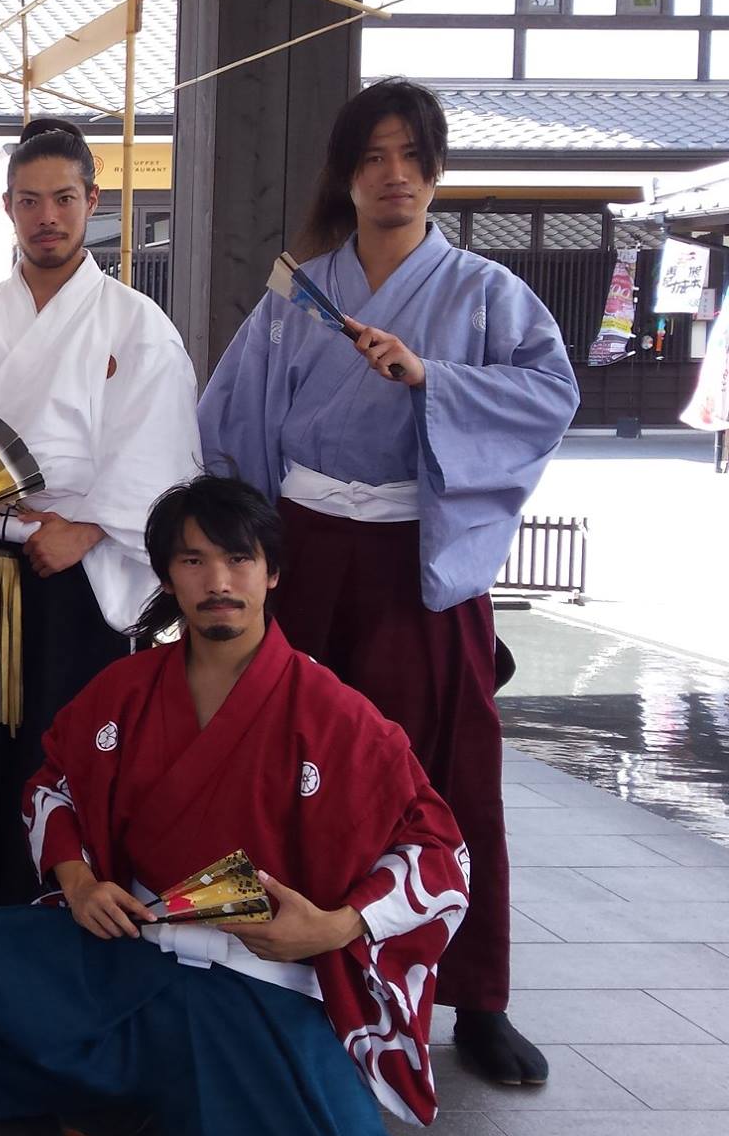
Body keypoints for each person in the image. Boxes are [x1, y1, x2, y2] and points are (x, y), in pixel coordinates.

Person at [0, 475, 469, 1136]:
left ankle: (166, 1110)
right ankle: (130, 1084)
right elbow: (51, 785)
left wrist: (334, 927)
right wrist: (78, 880)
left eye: (239, 559)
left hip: (255, 984)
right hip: (124, 948)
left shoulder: (337, 716)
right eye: (193, 562)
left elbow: (439, 852)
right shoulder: (126, 689)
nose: (219, 582)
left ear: (272, 572)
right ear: (167, 577)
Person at [197, 78, 578, 1085]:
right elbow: (230, 412)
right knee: (286, 763)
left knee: (448, 775)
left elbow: (547, 393)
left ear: (435, 172)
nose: (392, 175)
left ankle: (475, 994)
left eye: (410, 155)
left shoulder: (485, 293)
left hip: (418, 559)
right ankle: (280, 967)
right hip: (306, 553)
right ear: (346, 174)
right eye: (371, 156)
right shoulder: (297, 289)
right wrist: (241, 555)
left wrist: (435, 383)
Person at [0, 117, 199, 916]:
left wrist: (89, 527)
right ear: (8, 208)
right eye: (30, 201)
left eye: (64, 198)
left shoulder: (135, 323)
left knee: (65, 739)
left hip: (76, 571)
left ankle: (67, 905)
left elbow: (159, 444)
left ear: (93, 200)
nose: (48, 216)